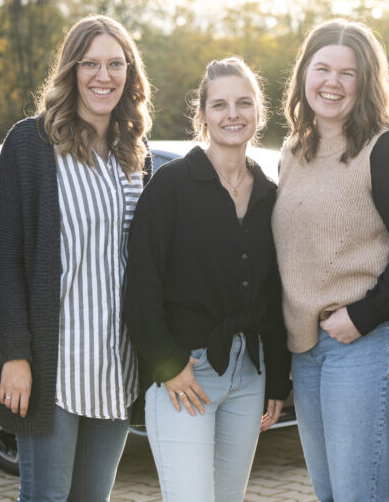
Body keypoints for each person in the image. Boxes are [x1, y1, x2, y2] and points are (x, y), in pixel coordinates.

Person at [0, 15, 153, 501]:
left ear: (130, 74)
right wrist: (15, 354)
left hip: (115, 366)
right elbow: (3, 260)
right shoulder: (32, 143)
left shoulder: (132, 152)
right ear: (71, 70)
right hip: (52, 366)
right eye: (90, 64)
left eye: (116, 64)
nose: (104, 76)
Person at [272, 19, 389, 501]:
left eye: (348, 73)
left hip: (370, 336)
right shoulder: (293, 150)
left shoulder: (386, 149)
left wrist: (361, 317)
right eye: (322, 69)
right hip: (309, 344)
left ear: (366, 82)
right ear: (304, 74)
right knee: (329, 491)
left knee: (355, 492)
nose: (333, 82)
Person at [124, 57, 290, 502]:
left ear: (259, 112)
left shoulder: (270, 195)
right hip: (186, 373)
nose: (232, 114)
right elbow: (141, 286)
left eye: (243, 103)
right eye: (219, 105)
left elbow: (275, 294)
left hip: (248, 376)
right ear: (202, 115)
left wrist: (277, 378)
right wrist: (167, 363)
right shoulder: (172, 185)